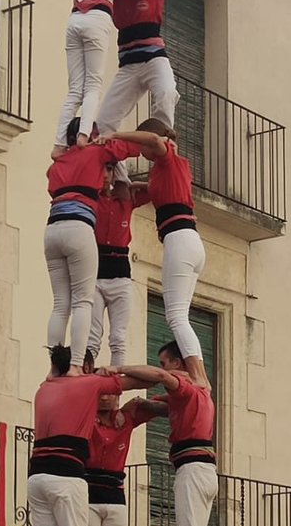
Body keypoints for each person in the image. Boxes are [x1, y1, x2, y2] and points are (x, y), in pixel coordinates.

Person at [27, 344, 146, 526]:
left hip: (37, 475)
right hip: (67, 475)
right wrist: (117, 370)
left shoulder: (44, 388)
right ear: (85, 366)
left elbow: (56, 368)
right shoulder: (88, 384)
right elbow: (146, 379)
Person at [106, 342, 217, 526]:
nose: (164, 369)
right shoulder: (199, 395)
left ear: (178, 364)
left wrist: (117, 370)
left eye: (166, 363)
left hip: (191, 471)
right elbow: (155, 406)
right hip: (204, 471)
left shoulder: (183, 383)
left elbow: (157, 376)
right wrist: (135, 405)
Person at [44, 120, 161, 370]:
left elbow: (51, 182)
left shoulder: (58, 165)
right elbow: (133, 146)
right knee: (82, 303)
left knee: (60, 304)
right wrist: (113, 136)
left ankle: (54, 368)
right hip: (79, 230)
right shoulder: (97, 152)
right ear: (89, 135)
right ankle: (76, 366)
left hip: (53, 227)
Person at [54, 0, 167, 160]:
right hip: (97, 17)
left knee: (74, 88)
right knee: (93, 85)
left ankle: (59, 143)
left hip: (74, 19)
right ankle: (84, 135)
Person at [122, 120, 211, 390]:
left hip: (179, 240)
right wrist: (137, 187)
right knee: (179, 314)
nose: (140, 151)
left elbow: (155, 142)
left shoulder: (168, 157)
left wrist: (113, 134)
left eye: (140, 145)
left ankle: (198, 375)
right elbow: (154, 192)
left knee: (176, 316)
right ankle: (200, 375)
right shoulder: (167, 172)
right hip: (190, 241)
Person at [77, 392, 167, 526]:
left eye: (112, 394)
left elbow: (169, 403)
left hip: (116, 500)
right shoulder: (85, 418)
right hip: (88, 498)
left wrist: (137, 401)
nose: (106, 398)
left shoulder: (126, 418)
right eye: (102, 393)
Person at [95, 0, 180, 142]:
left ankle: (162, 142)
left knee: (167, 92)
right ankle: (116, 171)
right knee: (104, 124)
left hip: (154, 58)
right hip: (128, 67)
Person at [86, 167, 151, 369]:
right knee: (92, 337)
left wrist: (134, 185)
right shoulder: (91, 198)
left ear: (115, 173)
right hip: (95, 273)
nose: (105, 175)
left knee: (118, 338)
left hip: (120, 274)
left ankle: (115, 389)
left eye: (110, 170)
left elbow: (154, 190)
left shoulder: (126, 200)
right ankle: (85, 380)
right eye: (102, 170)